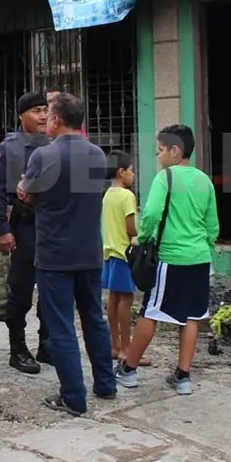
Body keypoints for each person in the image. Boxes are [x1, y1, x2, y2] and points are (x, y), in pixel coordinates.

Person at [18, 94, 116, 415]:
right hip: (89, 250)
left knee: (61, 326)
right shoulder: (98, 155)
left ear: (58, 120)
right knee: (94, 320)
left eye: (49, 117)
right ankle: (105, 384)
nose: (46, 121)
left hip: (55, 254)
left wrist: (24, 189)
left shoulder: (44, 156)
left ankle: (73, 397)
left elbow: (29, 195)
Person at [117, 124, 218, 396]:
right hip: (200, 258)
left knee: (151, 312)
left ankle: (128, 370)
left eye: (160, 150)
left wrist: (144, 238)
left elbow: (150, 216)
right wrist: (205, 248)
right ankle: (183, 376)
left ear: (175, 151)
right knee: (191, 316)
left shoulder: (165, 178)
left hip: (172, 258)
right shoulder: (204, 180)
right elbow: (212, 225)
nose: (158, 156)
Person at [0, 91, 51, 374]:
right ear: (22, 115)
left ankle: (47, 344)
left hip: (51, 227)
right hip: (24, 228)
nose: (42, 116)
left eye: (45, 110)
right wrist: (2, 228)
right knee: (21, 291)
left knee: (51, 289)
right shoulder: (9, 147)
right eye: (36, 111)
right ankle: (18, 348)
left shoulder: (53, 143)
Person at [102, 150, 142, 363]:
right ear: (121, 171)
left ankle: (115, 346)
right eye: (131, 171)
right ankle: (127, 349)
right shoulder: (127, 196)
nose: (133, 175)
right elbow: (130, 227)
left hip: (109, 252)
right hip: (123, 253)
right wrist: (143, 232)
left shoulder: (107, 195)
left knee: (113, 299)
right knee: (126, 300)